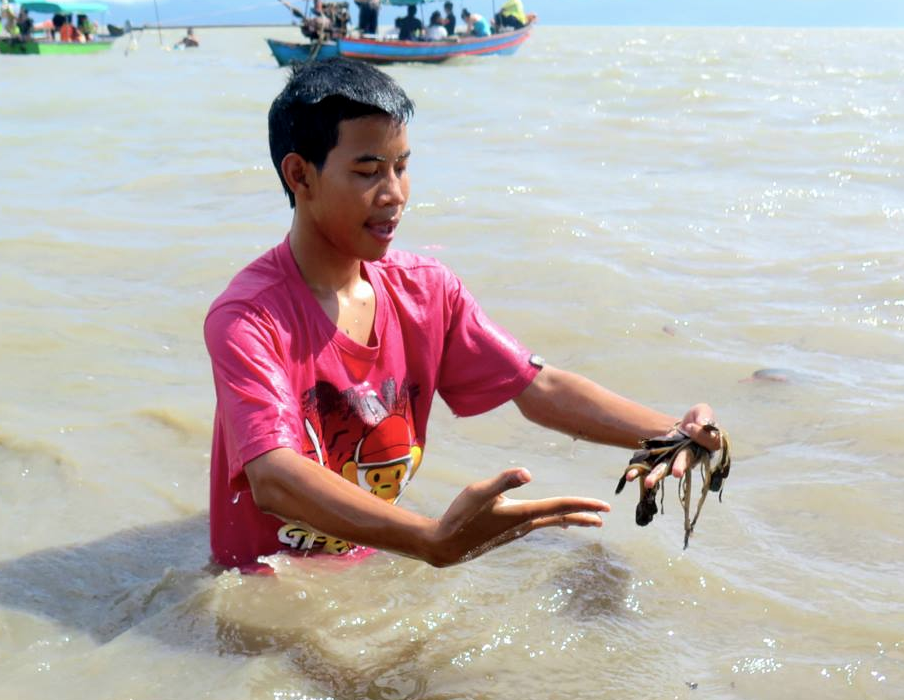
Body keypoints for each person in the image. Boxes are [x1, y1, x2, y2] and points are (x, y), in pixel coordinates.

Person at [203, 58, 724, 573]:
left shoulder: (427, 292)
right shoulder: (247, 318)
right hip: (264, 580)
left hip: (376, 552)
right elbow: (271, 476)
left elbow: (537, 388)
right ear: (300, 175)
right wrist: (431, 540)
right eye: (368, 172)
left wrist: (675, 433)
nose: (395, 195)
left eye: (402, 167)